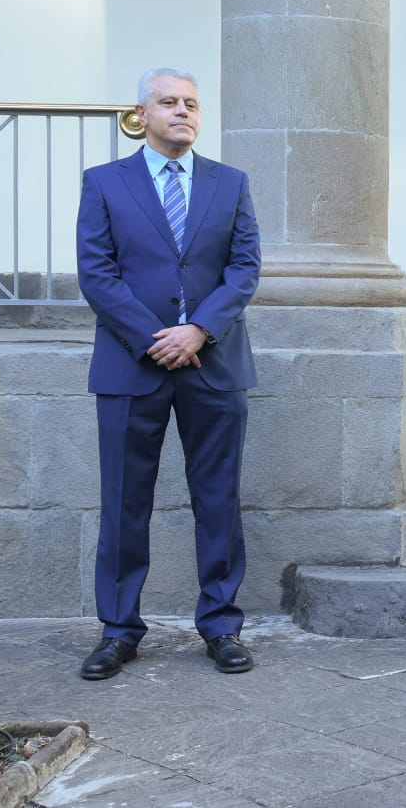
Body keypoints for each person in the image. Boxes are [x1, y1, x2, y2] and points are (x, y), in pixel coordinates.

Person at [75, 68, 261, 680]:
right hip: (133, 365)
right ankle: (119, 629)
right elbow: (97, 274)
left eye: (191, 103)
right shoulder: (104, 183)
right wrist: (155, 339)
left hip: (214, 362)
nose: (182, 111)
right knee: (125, 503)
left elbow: (244, 269)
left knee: (218, 500)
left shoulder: (230, 184)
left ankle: (222, 626)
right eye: (168, 102)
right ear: (141, 113)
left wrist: (198, 331)